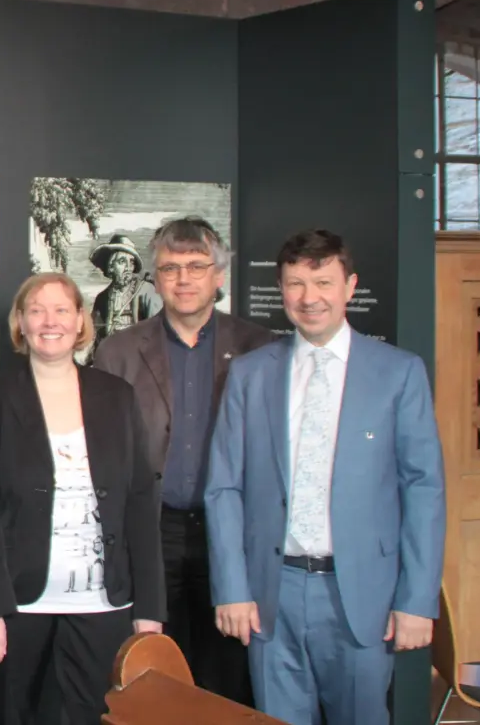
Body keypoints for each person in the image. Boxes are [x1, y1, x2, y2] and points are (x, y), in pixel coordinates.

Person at [205, 230, 445, 725]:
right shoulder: (249, 374)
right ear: (281, 289)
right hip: (272, 594)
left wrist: (417, 600)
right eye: (295, 283)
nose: (309, 298)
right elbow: (224, 487)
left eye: (323, 282)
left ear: (349, 285)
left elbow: (424, 489)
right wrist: (231, 587)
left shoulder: (398, 373)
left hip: (363, 597)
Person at [0, 272, 165, 724]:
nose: (48, 321)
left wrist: (149, 610)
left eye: (60, 310)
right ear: (20, 322)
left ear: (80, 321)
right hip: (18, 605)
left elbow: (138, 502)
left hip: (103, 605)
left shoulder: (118, 397)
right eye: (36, 310)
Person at [92, 217, 275, 703]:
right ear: (156, 277)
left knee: (229, 675)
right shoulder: (118, 352)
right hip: (155, 531)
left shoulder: (261, 349)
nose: (184, 279)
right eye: (171, 268)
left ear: (219, 275)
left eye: (197, 266)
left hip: (233, 534)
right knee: (157, 676)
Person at [89, 235, 159, 341]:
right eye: (122, 262)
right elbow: (94, 334)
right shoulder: (102, 299)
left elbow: (159, 332)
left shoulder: (147, 291)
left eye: (131, 262)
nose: (128, 268)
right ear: (111, 267)